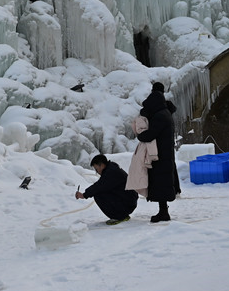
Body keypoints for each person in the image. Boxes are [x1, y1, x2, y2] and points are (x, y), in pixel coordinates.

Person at [137, 82, 179, 222]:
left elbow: (150, 135)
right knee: (163, 182)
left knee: (161, 182)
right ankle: (163, 211)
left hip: (161, 155)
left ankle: (163, 213)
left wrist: (140, 134)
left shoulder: (160, 116)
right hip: (165, 154)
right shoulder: (165, 113)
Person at [76, 154, 138, 223]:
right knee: (101, 192)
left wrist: (84, 195)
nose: (97, 172)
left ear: (101, 165)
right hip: (129, 201)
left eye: (96, 169)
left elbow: (99, 186)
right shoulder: (111, 169)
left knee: (98, 195)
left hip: (128, 203)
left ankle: (120, 216)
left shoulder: (111, 172)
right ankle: (122, 214)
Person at [127, 114, 156, 198]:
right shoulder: (144, 141)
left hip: (145, 158)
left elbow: (151, 148)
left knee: (141, 174)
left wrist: (150, 159)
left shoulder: (146, 138)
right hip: (144, 157)